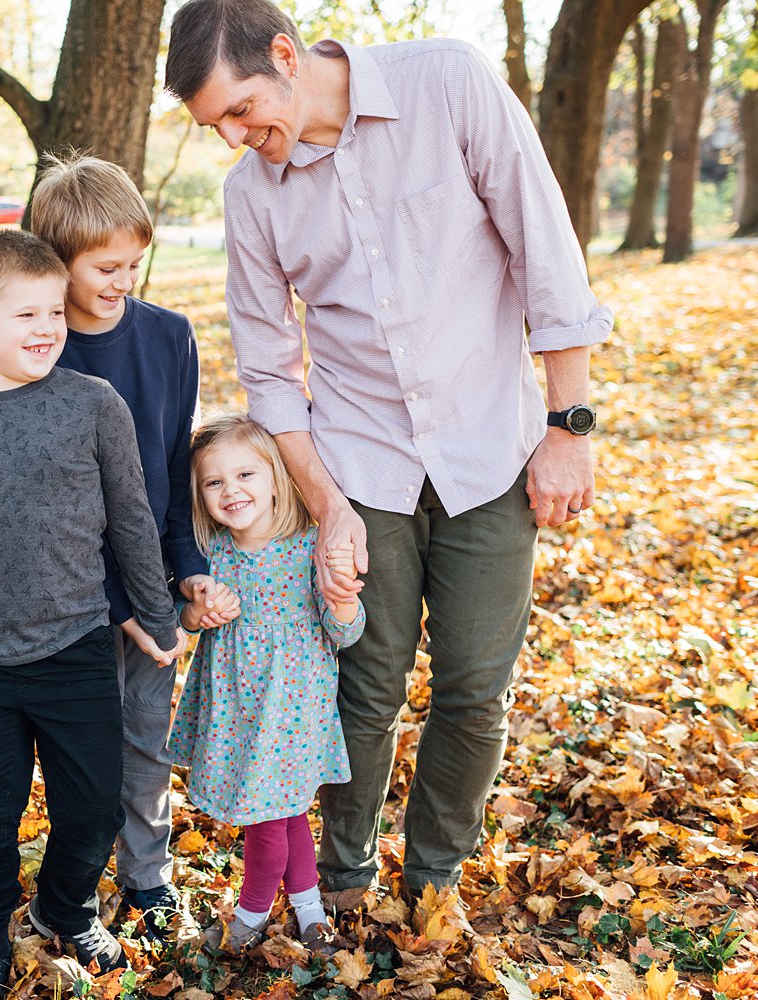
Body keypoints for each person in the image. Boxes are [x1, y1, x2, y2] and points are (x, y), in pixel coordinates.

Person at [164, 0, 613, 903]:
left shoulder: (447, 83)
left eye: (243, 111)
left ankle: (435, 875)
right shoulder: (251, 196)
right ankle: (342, 879)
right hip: (360, 466)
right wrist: (329, 509)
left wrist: (568, 427)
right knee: (364, 691)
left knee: (475, 691)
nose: (238, 139)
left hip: (490, 450)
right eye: (218, 127)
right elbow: (270, 372)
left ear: (286, 56)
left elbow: (546, 255)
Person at [0, 230, 185, 1000]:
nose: (45, 329)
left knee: (94, 806)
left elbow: (131, 519)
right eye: (24, 314)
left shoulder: (92, 405)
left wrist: (157, 616)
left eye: (53, 313)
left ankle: (64, 907)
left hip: (75, 643)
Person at [27, 153, 235, 940]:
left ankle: (148, 880)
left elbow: (172, 472)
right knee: (83, 757)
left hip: (152, 592)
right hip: (71, 599)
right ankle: (72, 889)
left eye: (133, 264)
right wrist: (115, 607)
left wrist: (187, 573)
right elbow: (47, 508)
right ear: (58, 263)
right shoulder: (37, 353)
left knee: (146, 744)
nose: (123, 280)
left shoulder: (167, 338)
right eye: (105, 267)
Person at [170, 415, 363, 952]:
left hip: (293, 709)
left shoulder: (310, 548)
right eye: (214, 482)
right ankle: (309, 911)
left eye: (245, 475)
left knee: (267, 820)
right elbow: (186, 620)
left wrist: (344, 603)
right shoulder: (213, 555)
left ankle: (250, 916)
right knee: (284, 813)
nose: (231, 490)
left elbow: (343, 632)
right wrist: (196, 613)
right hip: (237, 708)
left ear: (277, 477)